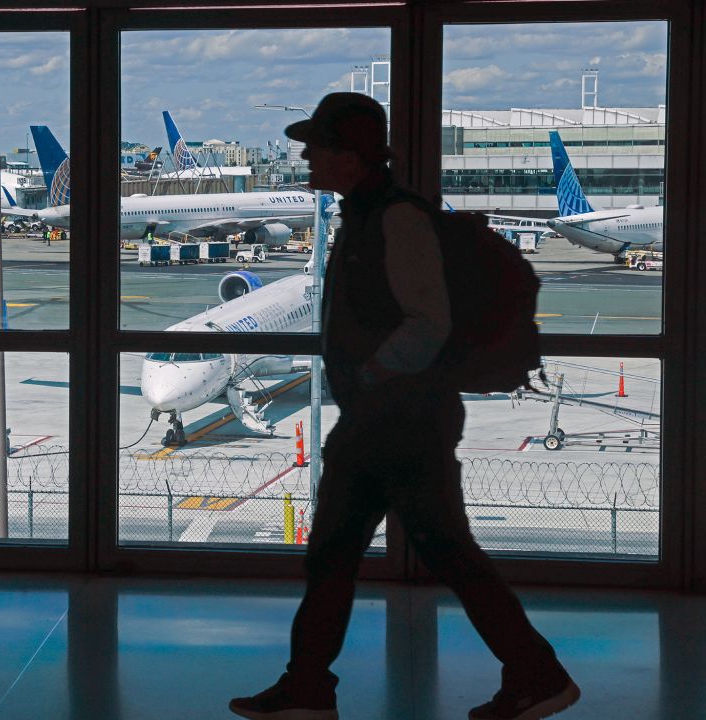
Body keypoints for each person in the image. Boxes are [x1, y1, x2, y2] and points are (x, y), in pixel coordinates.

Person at [228, 93, 580, 720]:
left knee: (414, 553)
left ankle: (537, 673)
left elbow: (427, 321)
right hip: (381, 418)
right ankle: (309, 684)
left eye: (317, 146)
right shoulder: (363, 216)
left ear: (351, 155)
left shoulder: (397, 220)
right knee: (343, 553)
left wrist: (370, 373)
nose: (305, 156)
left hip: (401, 420)